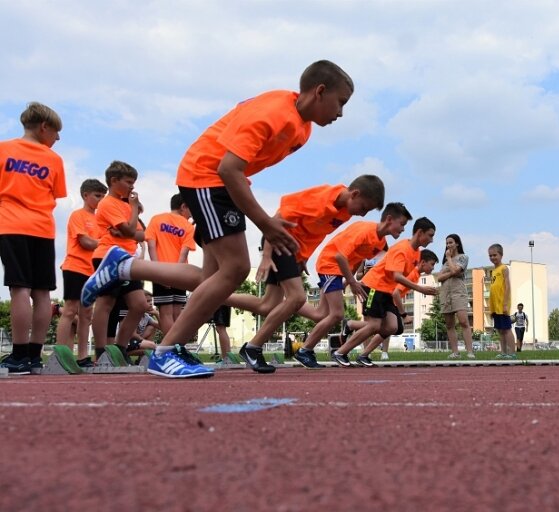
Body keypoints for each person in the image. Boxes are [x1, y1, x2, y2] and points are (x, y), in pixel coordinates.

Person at [82, 60, 355, 378]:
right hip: (207, 176)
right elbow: (228, 168)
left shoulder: (302, 129)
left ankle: (125, 266)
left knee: (209, 280)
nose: (341, 114)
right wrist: (265, 223)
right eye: (341, 103)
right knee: (236, 268)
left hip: (222, 181)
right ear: (320, 92)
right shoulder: (272, 113)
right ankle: (164, 352)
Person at [241, 175, 384, 372]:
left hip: (294, 250)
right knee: (297, 298)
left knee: (268, 305)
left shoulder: (345, 212)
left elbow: (319, 232)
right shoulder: (321, 198)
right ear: (355, 194)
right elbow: (277, 219)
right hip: (279, 241)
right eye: (363, 208)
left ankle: (216, 296)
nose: (362, 214)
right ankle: (252, 347)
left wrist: (304, 257)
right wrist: (266, 254)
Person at [292, 202, 411, 369]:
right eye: (402, 224)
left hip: (339, 272)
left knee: (321, 314)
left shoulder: (379, 241)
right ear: (389, 219)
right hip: (330, 264)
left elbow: (357, 260)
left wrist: (348, 282)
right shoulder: (364, 230)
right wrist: (353, 282)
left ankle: (289, 305)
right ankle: (305, 350)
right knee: (337, 314)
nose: (403, 229)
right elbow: (340, 256)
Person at [0, 102, 66, 374]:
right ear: (44, 127)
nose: (58, 139)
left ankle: (18, 356)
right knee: (42, 293)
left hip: (11, 225)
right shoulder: (53, 159)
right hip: (42, 228)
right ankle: (35, 357)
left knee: (20, 289)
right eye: (56, 132)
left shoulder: (3, 150)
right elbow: (55, 195)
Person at [332, 218, 438, 367]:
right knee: (374, 325)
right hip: (373, 286)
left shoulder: (416, 253)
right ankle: (340, 352)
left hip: (386, 291)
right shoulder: (402, 249)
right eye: (430, 235)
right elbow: (397, 276)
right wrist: (420, 289)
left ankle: (362, 352)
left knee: (392, 327)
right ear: (420, 233)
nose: (432, 240)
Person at [89, 161, 148, 363]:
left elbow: (141, 234)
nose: (132, 187)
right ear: (114, 181)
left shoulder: (124, 205)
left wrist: (128, 230)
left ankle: (120, 348)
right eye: (129, 182)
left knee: (139, 304)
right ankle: (100, 352)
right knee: (106, 303)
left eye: (133, 182)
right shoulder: (107, 203)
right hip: (108, 256)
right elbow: (132, 231)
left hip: (128, 259)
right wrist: (132, 212)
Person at [353, 250, 439, 366]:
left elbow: (396, 290)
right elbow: (396, 292)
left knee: (394, 328)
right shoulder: (410, 272)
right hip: (375, 291)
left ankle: (365, 354)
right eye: (432, 264)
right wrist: (404, 314)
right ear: (423, 262)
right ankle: (350, 329)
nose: (433, 268)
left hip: (387, 297)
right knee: (375, 326)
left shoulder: (414, 273)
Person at [56, 178, 106, 368]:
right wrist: (105, 244)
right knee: (70, 310)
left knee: (86, 315)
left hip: (92, 270)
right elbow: (85, 242)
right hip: (75, 267)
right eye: (97, 196)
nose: (101, 200)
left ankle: (82, 356)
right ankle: (61, 353)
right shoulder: (78, 215)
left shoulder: (100, 221)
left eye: (103, 196)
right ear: (86, 195)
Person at [145, 194, 195, 334]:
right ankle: (178, 346)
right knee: (177, 313)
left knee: (165, 313)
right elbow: (184, 253)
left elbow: (151, 246)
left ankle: (170, 348)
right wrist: (176, 273)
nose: (191, 215)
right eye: (190, 210)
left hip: (161, 271)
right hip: (180, 273)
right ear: (183, 206)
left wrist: (158, 271)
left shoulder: (156, 219)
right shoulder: (188, 226)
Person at [436, 234, 474, 359]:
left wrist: (449, 259)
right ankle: (455, 352)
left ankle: (470, 352)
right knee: (449, 325)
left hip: (459, 293)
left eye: (451, 242)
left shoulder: (463, 257)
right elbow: (439, 278)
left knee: (463, 321)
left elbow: (457, 271)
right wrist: (450, 272)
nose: (448, 245)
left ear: (457, 243)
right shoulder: (445, 263)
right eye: (447, 243)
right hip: (446, 294)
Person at [488, 243, 514, 359]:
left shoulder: (504, 268)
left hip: (502, 304)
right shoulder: (493, 271)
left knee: (507, 329)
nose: (493, 257)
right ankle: (503, 352)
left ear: (501, 255)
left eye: (495, 255)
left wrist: (505, 304)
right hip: (494, 305)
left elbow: (508, 287)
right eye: (490, 256)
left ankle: (512, 353)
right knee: (500, 330)